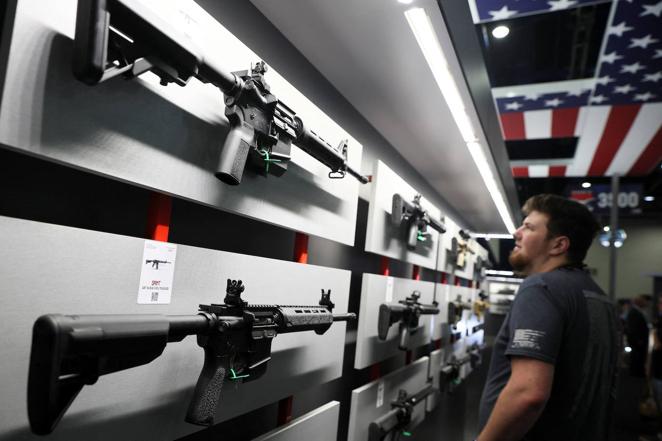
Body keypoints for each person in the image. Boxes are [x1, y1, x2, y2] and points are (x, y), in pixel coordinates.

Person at [477, 194, 619, 441]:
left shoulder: (540, 288)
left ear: (558, 245)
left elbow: (528, 393)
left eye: (529, 227)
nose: (516, 233)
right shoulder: (598, 296)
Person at [626, 294, 651, 378]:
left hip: (639, 341)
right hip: (638, 342)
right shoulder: (634, 312)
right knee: (637, 359)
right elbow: (632, 329)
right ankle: (636, 374)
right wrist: (638, 341)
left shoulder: (637, 312)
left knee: (638, 359)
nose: (646, 304)